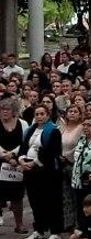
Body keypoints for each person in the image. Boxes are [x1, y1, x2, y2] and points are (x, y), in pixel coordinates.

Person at [19, 104, 63, 239]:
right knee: (35, 201)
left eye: (42, 114)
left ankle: (55, 232)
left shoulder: (54, 131)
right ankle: (39, 230)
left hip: (47, 172)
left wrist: (35, 162)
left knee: (50, 201)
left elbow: (52, 152)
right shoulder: (30, 130)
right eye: (37, 114)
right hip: (30, 172)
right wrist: (21, 160)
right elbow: (23, 147)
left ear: (47, 115)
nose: (39, 117)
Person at [0, 96, 28, 234]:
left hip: (17, 163)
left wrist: (12, 155)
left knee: (17, 196)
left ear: (14, 111)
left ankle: (19, 224)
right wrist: (4, 155)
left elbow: (25, 142)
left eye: (7, 109)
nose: (4, 112)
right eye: (2, 109)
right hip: (0, 162)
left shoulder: (22, 123)